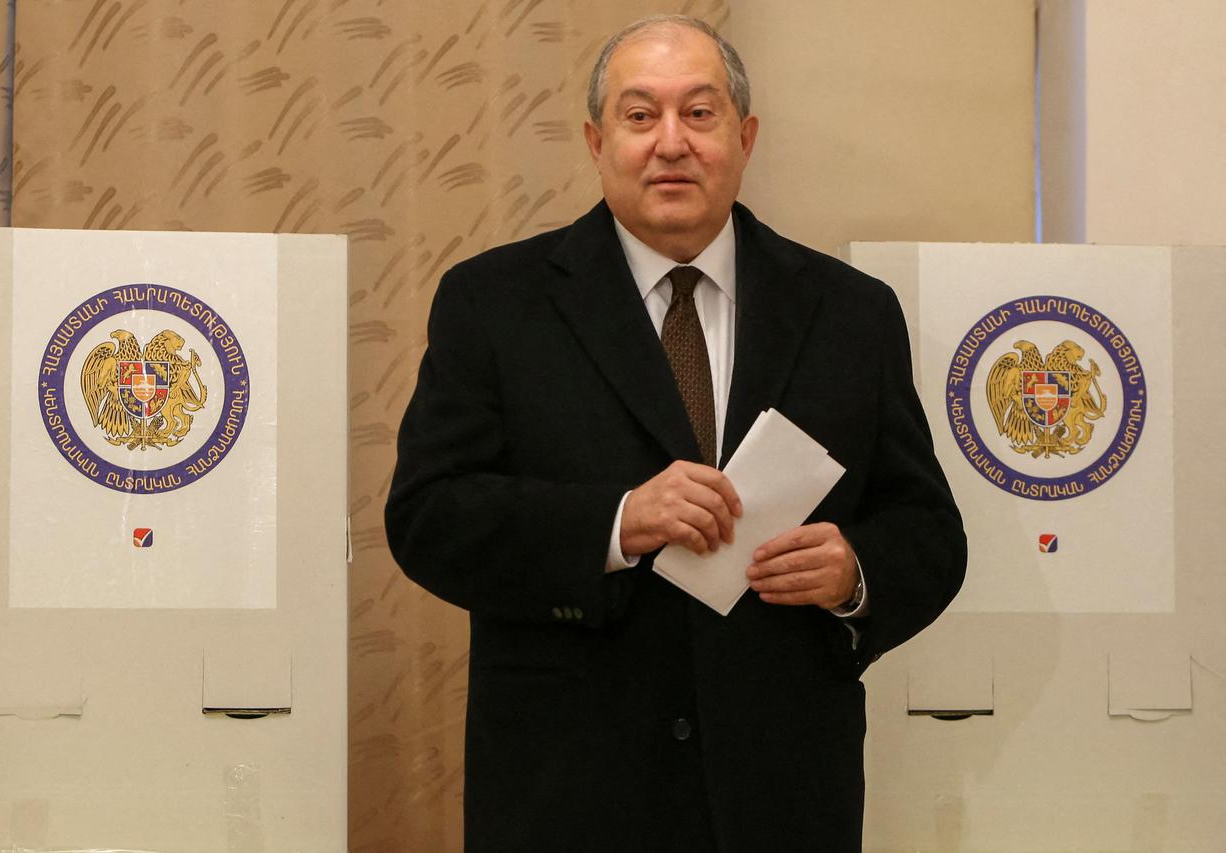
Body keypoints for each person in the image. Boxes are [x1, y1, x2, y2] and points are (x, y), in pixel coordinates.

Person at [386, 14, 965, 853]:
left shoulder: (851, 313)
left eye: (699, 113)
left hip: (781, 793)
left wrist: (854, 573)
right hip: (566, 793)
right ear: (595, 140)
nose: (671, 142)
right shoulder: (494, 303)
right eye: (639, 115)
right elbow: (429, 517)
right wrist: (616, 523)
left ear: (745, 136)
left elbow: (929, 530)